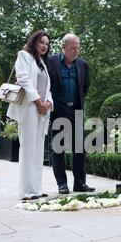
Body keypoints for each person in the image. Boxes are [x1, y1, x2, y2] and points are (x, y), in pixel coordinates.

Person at [6, 30, 53, 200]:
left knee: (39, 150)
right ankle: (26, 191)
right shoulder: (24, 56)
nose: (44, 46)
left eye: (47, 44)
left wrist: (48, 103)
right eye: (42, 42)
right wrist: (38, 101)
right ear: (34, 42)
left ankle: (36, 189)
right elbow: (23, 79)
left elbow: (48, 87)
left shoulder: (43, 64)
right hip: (29, 108)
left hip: (42, 111)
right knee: (28, 149)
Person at [46, 33, 95, 194]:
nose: (76, 51)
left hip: (76, 109)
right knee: (58, 148)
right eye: (73, 48)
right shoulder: (51, 61)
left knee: (80, 148)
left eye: (78, 48)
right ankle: (62, 184)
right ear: (64, 47)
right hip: (58, 108)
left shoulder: (83, 65)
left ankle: (80, 183)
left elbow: (85, 88)